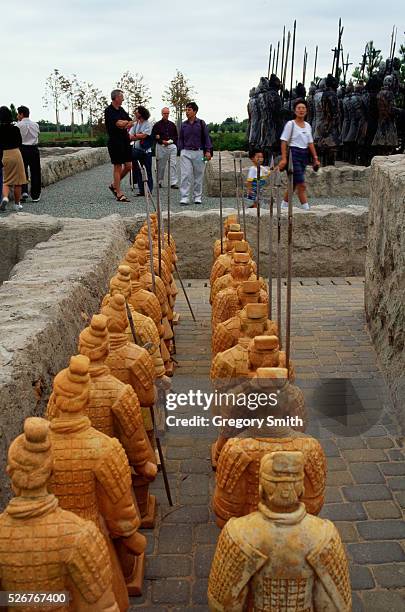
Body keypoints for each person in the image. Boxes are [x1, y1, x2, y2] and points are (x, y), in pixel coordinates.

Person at [279, 98, 320, 211]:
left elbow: (310, 142)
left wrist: (315, 158)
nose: (301, 110)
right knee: (301, 184)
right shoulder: (290, 124)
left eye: (303, 108)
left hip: (304, 155)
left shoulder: (307, 126)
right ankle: (306, 208)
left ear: (306, 111)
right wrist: (283, 158)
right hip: (293, 154)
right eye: (299, 108)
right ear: (295, 110)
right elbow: (284, 141)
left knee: (293, 183)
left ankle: (284, 206)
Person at [178, 102, 212, 205]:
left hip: (199, 153)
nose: (187, 112)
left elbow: (206, 137)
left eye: (189, 110)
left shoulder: (201, 123)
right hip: (186, 152)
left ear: (195, 111)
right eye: (186, 110)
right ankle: (184, 197)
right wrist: (181, 150)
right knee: (185, 175)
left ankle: (197, 196)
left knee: (199, 175)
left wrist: (208, 151)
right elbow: (180, 138)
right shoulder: (183, 125)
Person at [104, 89, 134, 202]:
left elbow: (130, 122)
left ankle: (114, 185)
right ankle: (119, 193)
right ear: (116, 97)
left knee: (128, 166)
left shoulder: (121, 110)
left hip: (125, 141)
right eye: (122, 97)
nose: (123, 99)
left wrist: (124, 124)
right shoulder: (109, 111)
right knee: (118, 167)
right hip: (115, 142)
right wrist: (123, 124)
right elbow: (118, 124)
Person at [0, 106, 26, 212]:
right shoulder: (15, 128)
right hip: (16, 153)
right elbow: (20, 142)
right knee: (18, 181)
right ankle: (17, 204)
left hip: (4, 155)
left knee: (6, 180)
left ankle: (5, 197)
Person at [17, 105, 41, 202]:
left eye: (18, 114)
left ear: (21, 114)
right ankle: (35, 195)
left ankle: (24, 192)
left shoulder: (18, 125)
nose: (17, 116)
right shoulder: (36, 125)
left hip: (22, 149)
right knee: (35, 172)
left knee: (22, 171)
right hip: (34, 149)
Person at [129, 105, 154, 196]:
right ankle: (141, 190)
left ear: (141, 113)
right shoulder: (136, 124)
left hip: (146, 151)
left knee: (147, 171)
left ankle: (148, 190)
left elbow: (144, 135)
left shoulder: (148, 124)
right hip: (137, 150)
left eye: (137, 111)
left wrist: (136, 136)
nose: (135, 113)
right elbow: (130, 135)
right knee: (138, 170)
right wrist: (137, 135)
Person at [152, 107, 178, 188]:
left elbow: (176, 136)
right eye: (165, 113)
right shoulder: (157, 125)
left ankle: (173, 182)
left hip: (171, 146)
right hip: (161, 146)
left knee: (173, 164)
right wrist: (161, 141)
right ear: (162, 114)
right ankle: (159, 181)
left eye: (167, 113)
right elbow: (154, 136)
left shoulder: (172, 124)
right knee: (160, 165)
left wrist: (170, 141)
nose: (166, 115)